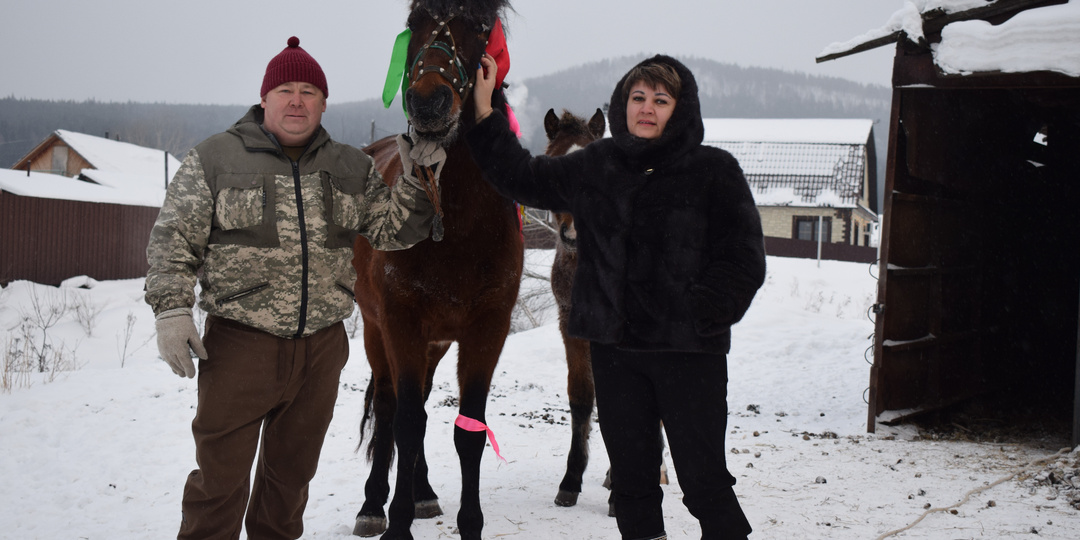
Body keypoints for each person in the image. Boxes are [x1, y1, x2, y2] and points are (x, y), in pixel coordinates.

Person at [145, 37, 439, 540]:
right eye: (285, 89)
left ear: (324, 102)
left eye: (308, 90)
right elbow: (174, 239)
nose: (297, 100)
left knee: (288, 488)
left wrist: (417, 179)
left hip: (321, 351)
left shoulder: (351, 166)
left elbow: (394, 232)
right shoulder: (215, 159)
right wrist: (171, 311)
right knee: (219, 486)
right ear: (265, 98)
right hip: (240, 348)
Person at [467, 53, 765, 540]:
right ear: (622, 104)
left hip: (689, 355)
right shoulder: (595, 166)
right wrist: (483, 117)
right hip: (614, 354)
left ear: (681, 108)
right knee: (632, 486)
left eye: (660, 100)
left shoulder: (714, 171)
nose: (646, 108)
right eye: (638, 97)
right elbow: (522, 176)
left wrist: (701, 313)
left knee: (704, 483)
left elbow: (744, 258)